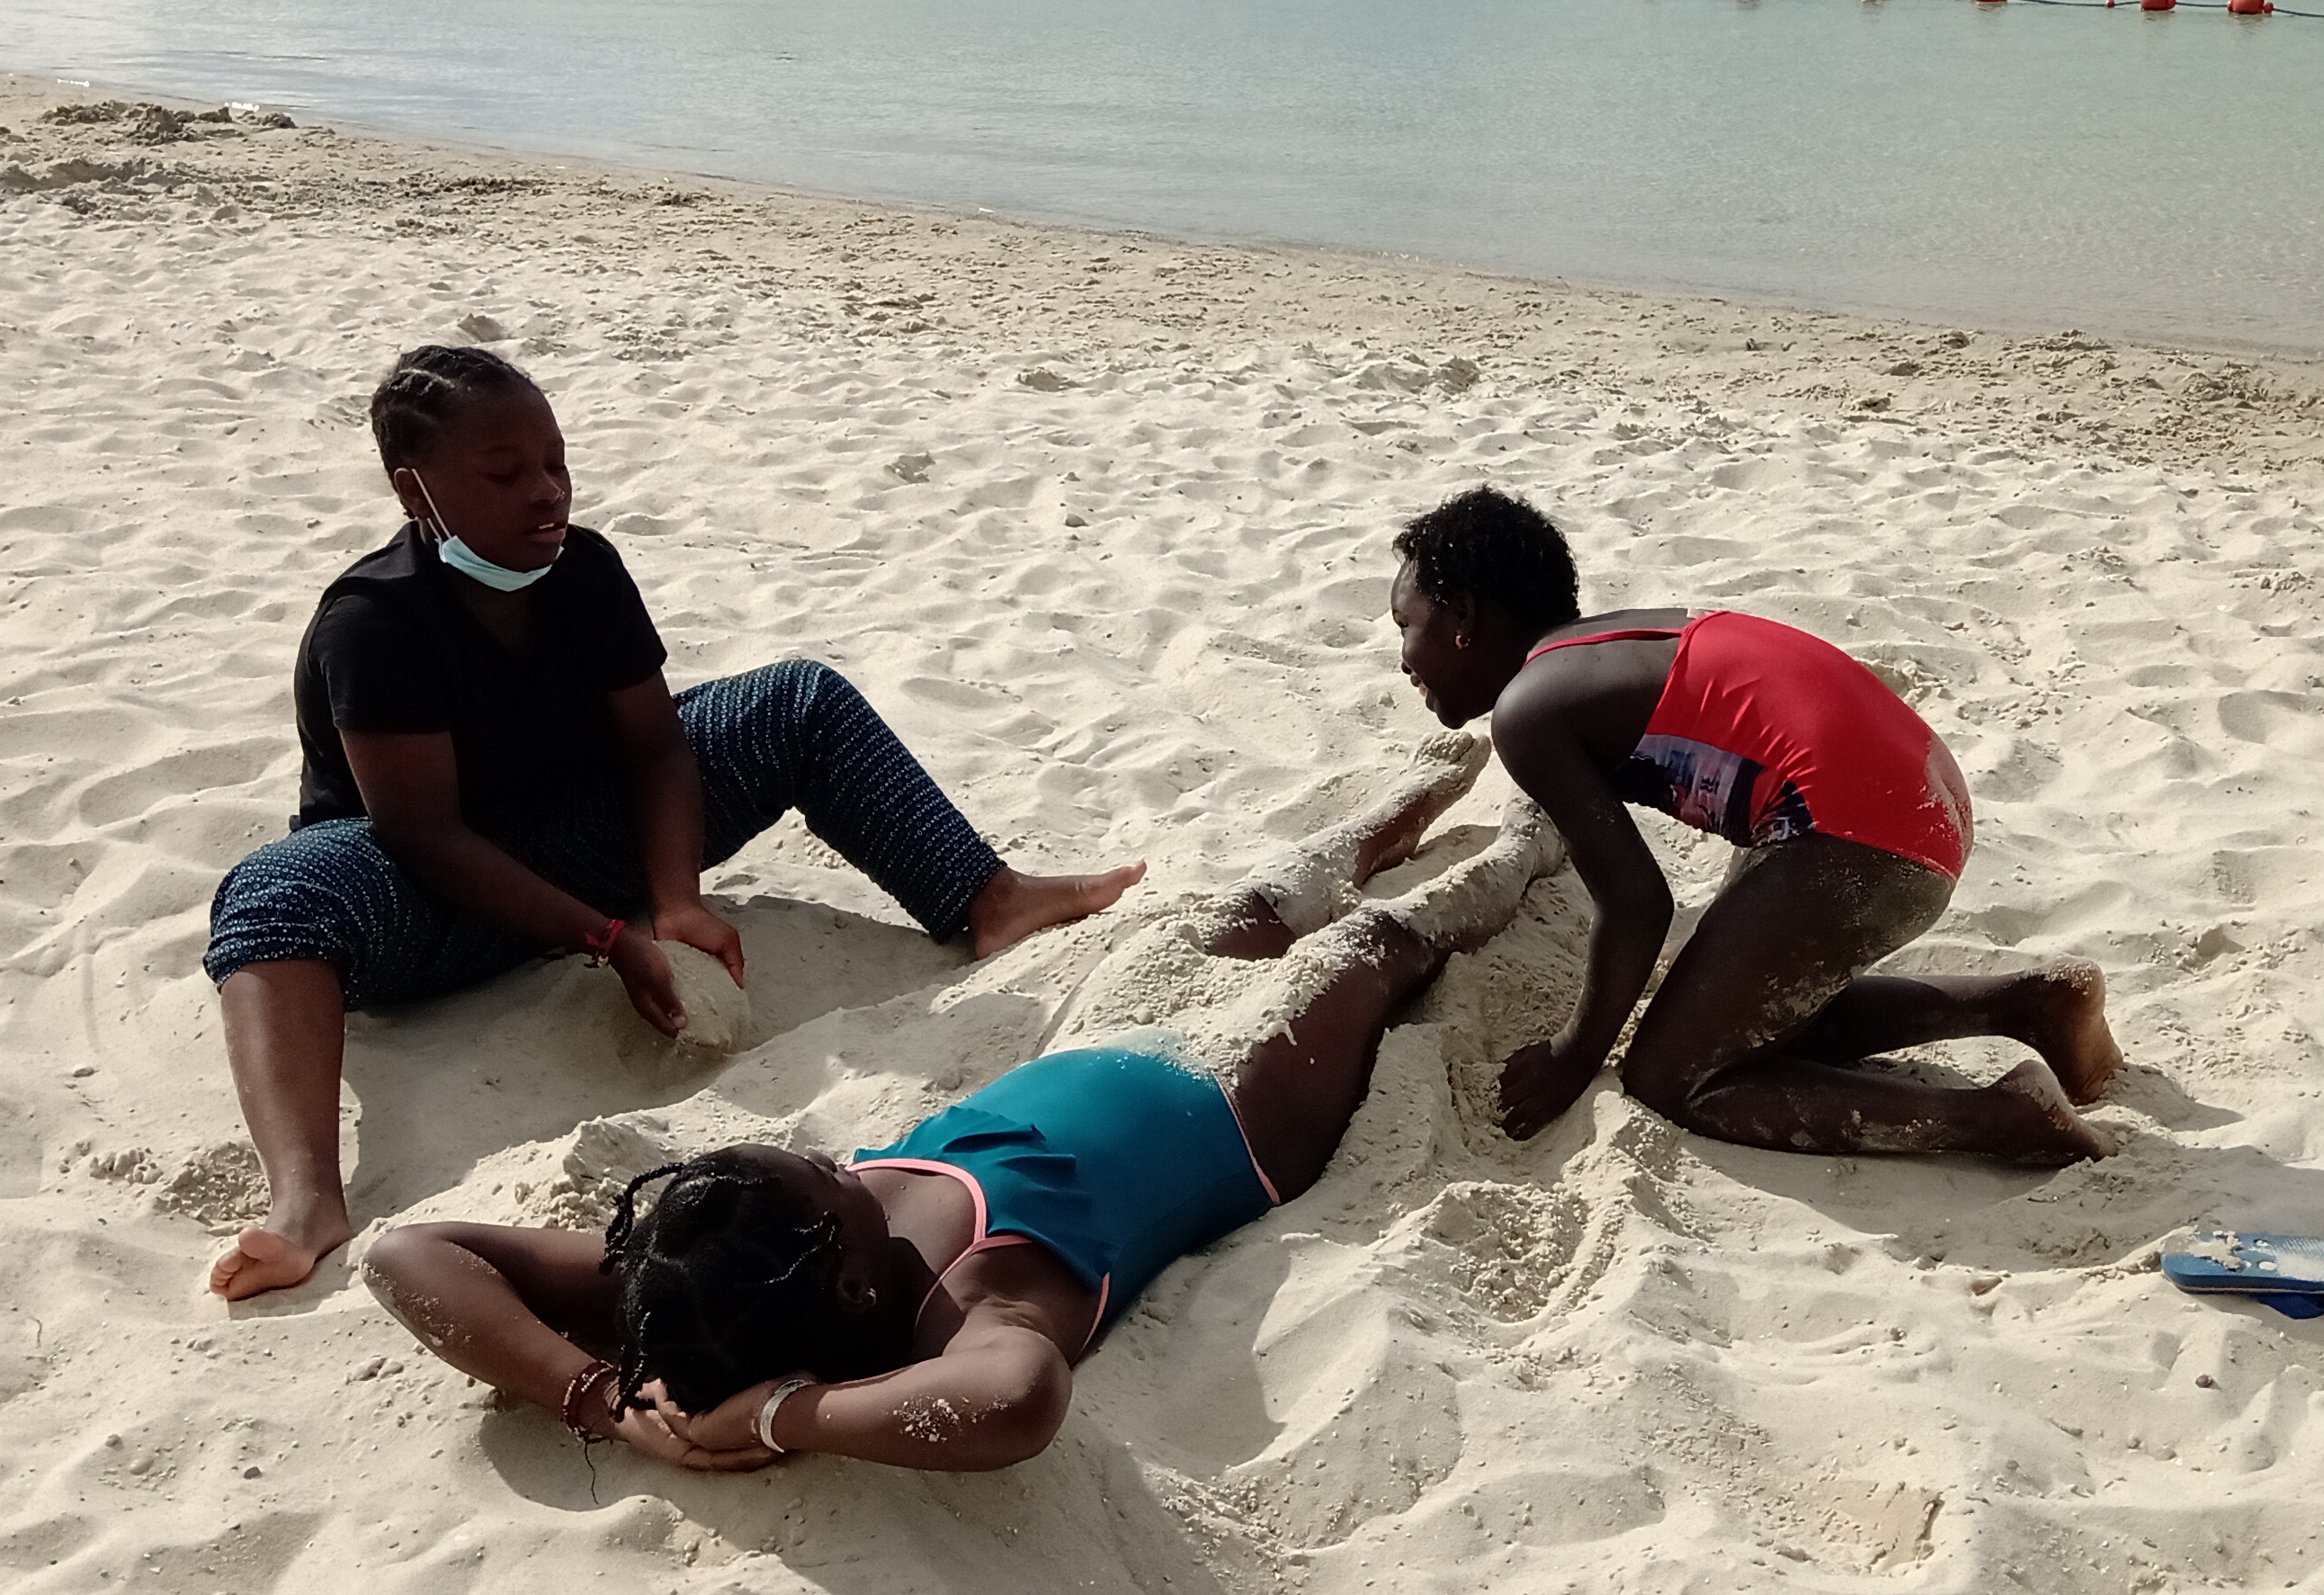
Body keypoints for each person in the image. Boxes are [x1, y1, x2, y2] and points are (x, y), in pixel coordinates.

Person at [201, 344, 1140, 1303]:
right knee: (273, 890)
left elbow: (655, 747)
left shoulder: (583, 569)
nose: (546, 492)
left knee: (795, 700)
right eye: (505, 473)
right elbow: (423, 833)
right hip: (427, 901)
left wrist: (675, 900)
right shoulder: (375, 622)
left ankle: (987, 898)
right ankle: (306, 1200)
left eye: (555, 462)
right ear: (415, 491)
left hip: (583, 836)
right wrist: (610, 939)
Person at [359, 739, 1556, 1473]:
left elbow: (410, 1254)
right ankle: (1522, 852)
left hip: (1100, 1042)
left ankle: (1397, 808)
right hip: (1238, 1108)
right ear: (844, 1281)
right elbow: (1015, 1403)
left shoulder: (693, 1275)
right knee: (1363, 952)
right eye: (827, 1180)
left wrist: (592, 1399)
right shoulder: (970, 1306)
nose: (836, 1162)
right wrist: (784, 1417)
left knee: (1241, 915)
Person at [1384, 484, 2121, 1160]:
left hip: (1859, 834)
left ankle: (1997, 1118)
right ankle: (2034, 1003)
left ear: (1463, 619)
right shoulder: (1609, 644)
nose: (1403, 659)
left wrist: (1574, 1055)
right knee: (1750, 1017)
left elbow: (1638, 904)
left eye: (1405, 625)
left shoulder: (1527, 711)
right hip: (1919, 793)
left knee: (1671, 1077)